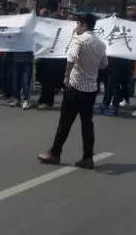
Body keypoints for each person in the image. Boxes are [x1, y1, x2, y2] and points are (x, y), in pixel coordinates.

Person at [38, 13, 107, 169]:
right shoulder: (100, 44)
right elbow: (104, 64)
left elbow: (71, 59)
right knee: (87, 123)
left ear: (84, 25)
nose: (76, 27)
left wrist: (66, 77)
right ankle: (88, 157)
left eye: (78, 24)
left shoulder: (79, 40)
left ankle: (55, 153)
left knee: (65, 122)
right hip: (91, 88)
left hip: (75, 87)